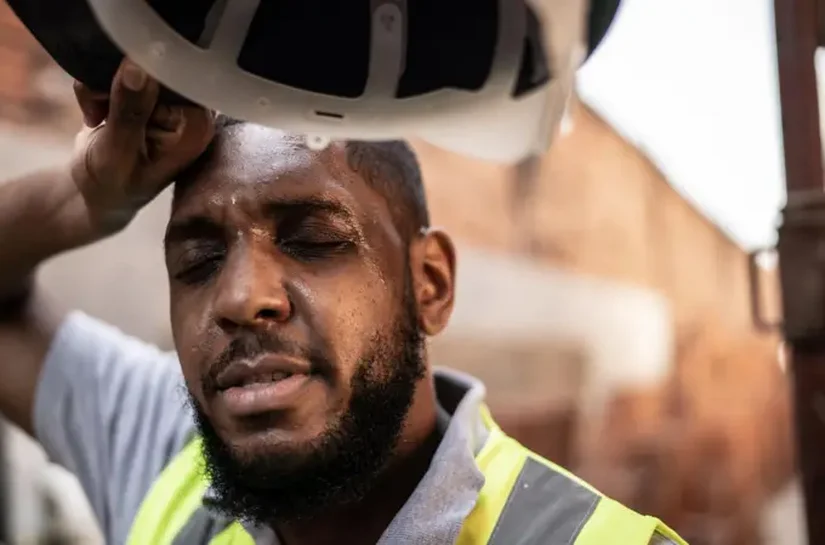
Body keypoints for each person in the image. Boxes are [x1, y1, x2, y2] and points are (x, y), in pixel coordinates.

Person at [0, 59, 686, 545]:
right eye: (199, 260)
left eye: (314, 240)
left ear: (430, 285)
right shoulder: (161, 450)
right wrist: (81, 197)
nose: (240, 297)